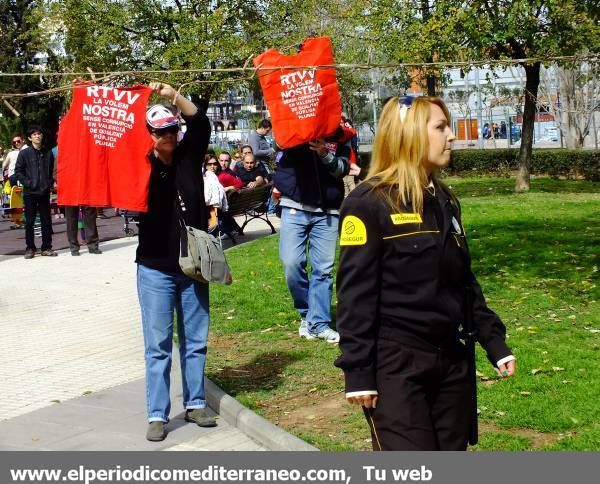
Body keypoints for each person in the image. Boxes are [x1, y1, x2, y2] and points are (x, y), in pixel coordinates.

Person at [334, 96, 516, 451]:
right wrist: (358, 372)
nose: (451, 136)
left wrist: (493, 341)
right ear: (409, 135)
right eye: (440, 127)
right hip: (396, 365)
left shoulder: (444, 200)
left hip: (450, 360)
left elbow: (463, 281)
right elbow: (355, 296)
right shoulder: (368, 204)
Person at [136, 82, 215, 442]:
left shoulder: (189, 154)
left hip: (192, 264)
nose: (167, 136)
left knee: (195, 339)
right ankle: (157, 414)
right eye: (159, 131)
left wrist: (172, 95)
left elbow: (201, 124)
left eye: (171, 129)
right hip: (155, 267)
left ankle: (196, 403)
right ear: (148, 134)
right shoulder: (139, 166)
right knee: (158, 345)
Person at [274, 132, 351, 343]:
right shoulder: (295, 128)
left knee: (323, 270)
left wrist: (325, 153)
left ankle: (319, 323)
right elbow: (280, 145)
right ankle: (307, 313)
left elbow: (343, 169)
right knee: (292, 263)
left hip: (328, 211)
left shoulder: (341, 135)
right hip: (294, 205)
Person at [13, 125, 57, 259]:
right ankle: (30, 248)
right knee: (30, 222)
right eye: (34, 134)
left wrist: (49, 183)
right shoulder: (24, 154)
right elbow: (18, 172)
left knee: (46, 221)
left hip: (43, 192)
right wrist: (29, 183)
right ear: (29, 138)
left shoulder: (47, 153)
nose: (38, 136)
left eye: (39, 134)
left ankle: (46, 247)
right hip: (30, 193)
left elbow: (52, 172)